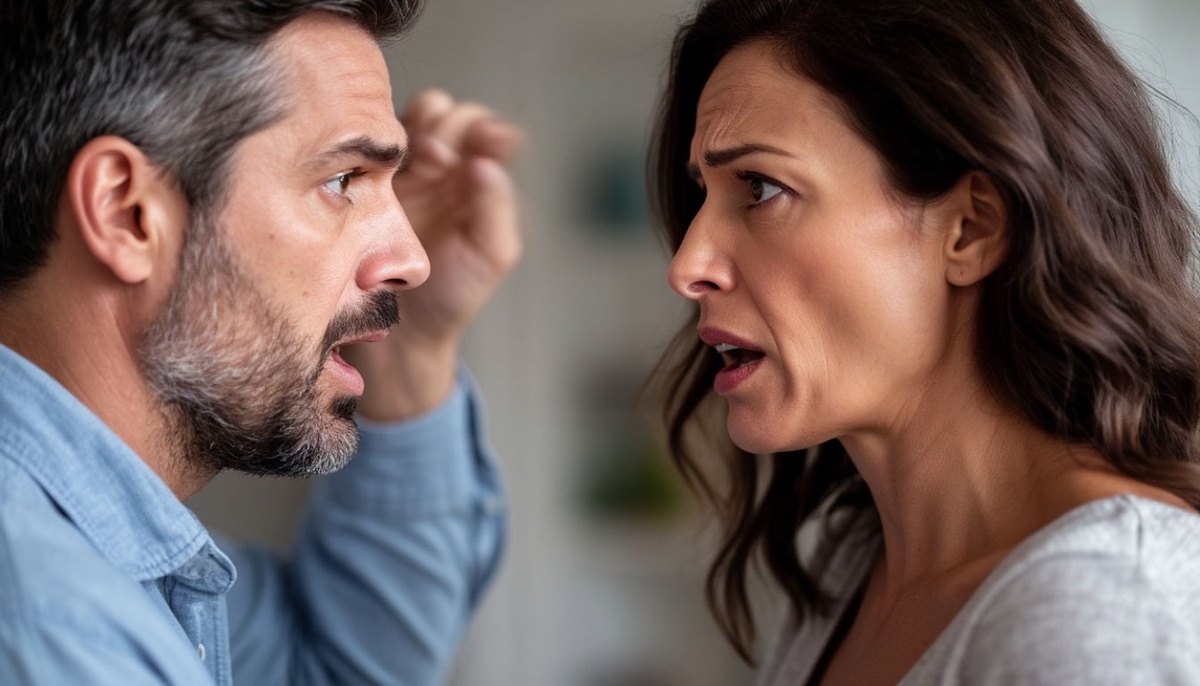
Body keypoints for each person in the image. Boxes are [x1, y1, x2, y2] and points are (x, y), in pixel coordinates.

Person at [649, 0, 1200, 683]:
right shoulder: (852, 563)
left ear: (971, 229)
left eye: (759, 187)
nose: (687, 266)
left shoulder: (1100, 611)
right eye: (702, 193)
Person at [0, 1, 521, 684]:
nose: (412, 260)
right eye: (342, 180)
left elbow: (332, 670)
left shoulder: (114, 564)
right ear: (125, 213)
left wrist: (405, 350)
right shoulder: (57, 628)